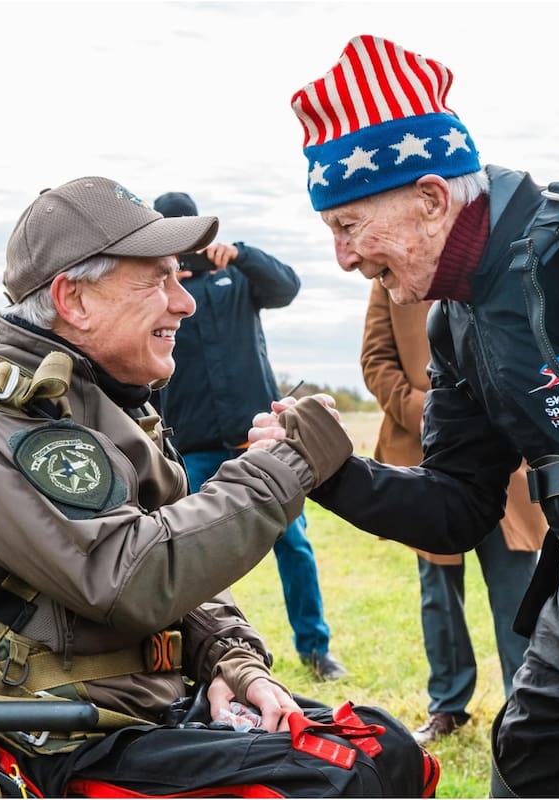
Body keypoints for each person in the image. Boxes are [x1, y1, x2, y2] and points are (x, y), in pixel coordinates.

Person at [0, 176, 429, 796]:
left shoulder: (107, 404)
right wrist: (287, 463)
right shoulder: (2, 422)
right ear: (73, 300)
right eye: (158, 280)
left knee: (389, 749)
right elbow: (133, 574)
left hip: (141, 713)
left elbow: (178, 567)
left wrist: (234, 665)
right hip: (53, 740)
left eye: (180, 277)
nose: (183, 302)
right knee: (333, 783)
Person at [255, 35, 559, 797]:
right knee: (528, 755)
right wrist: (330, 470)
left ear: (431, 198)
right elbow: (460, 507)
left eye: (347, 226)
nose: (343, 259)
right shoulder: (450, 323)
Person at [152, 190, 346, 682]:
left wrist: (242, 253)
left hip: (254, 440)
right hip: (189, 446)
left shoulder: (236, 274)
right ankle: (190, 655)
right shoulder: (160, 290)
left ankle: (316, 649)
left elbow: (286, 288)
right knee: (184, 552)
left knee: (293, 545)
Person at [360, 280, 544, 745]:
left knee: (517, 591)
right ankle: (448, 705)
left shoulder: (496, 266)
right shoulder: (390, 281)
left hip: (506, 455)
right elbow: (376, 361)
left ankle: (526, 709)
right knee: (438, 594)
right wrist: (429, 409)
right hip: (425, 455)